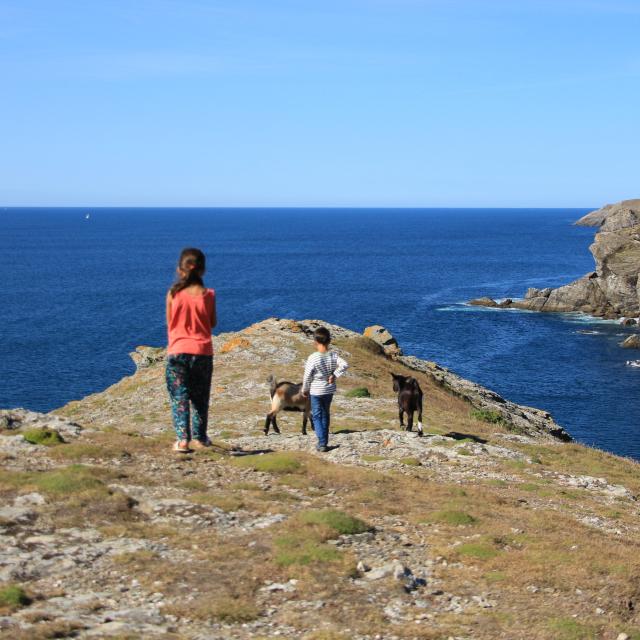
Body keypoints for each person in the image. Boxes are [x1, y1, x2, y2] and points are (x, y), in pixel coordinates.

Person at [165, 248, 216, 453]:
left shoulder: (173, 294)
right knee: (200, 397)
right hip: (203, 351)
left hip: (178, 351)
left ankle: (182, 440)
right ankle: (200, 438)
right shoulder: (208, 295)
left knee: (180, 396)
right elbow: (212, 322)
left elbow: (170, 323)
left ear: (180, 270)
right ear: (202, 270)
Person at [301, 327, 348, 452]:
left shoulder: (313, 357)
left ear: (315, 341)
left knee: (316, 416)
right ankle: (324, 441)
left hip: (316, 391)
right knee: (325, 414)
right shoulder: (333, 355)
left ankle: (322, 443)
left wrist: (304, 389)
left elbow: (307, 376)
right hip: (329, 390)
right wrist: (335, 375)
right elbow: (344, 364)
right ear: (329, 341)